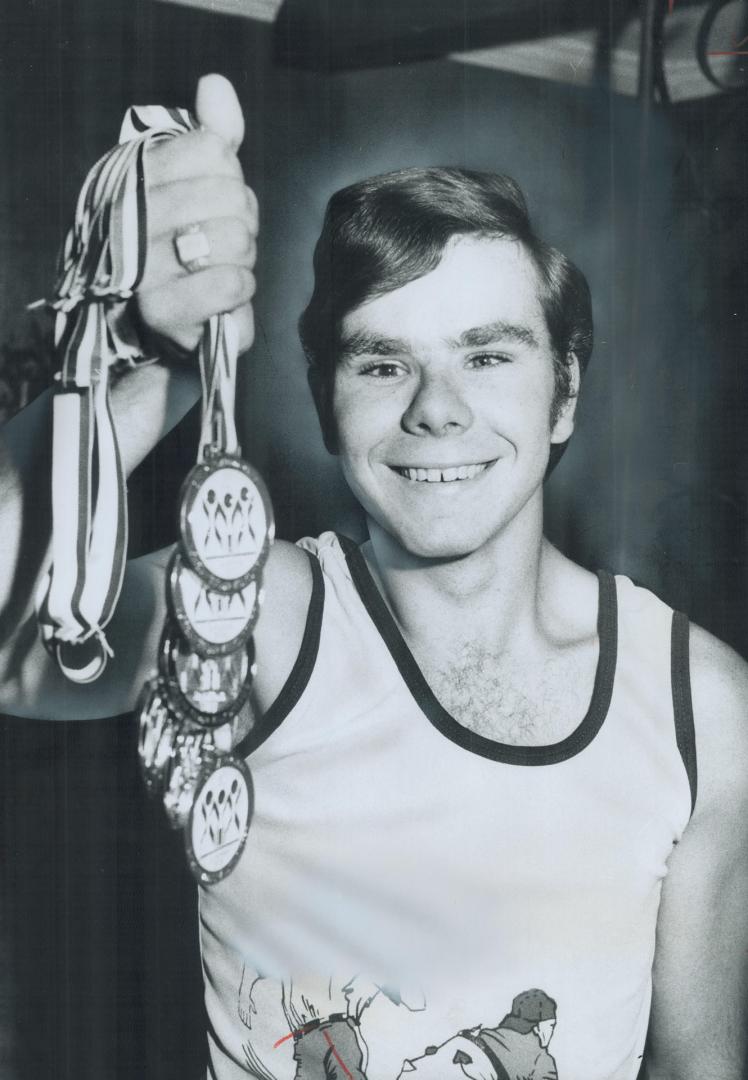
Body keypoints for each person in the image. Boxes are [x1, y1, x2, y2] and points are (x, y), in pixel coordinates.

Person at [1, 75, 746, 1080]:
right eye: (382, 364)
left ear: (564, 391)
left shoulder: (700, 704)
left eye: (487, 357)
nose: (436, 410)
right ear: (325, 403)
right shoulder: (256, 614)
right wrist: (152, 369)